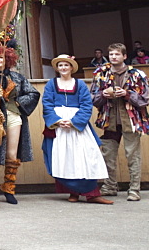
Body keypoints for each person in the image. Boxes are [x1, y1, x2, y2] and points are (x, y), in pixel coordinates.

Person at [0, 42, 40, 205]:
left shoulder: (18, 78)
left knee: (12, 155)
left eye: (1, 57)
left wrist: (18, 103)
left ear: (7, 59)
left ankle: (9, 187)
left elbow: (33, 93)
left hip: (13, 117)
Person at [41, 55, 110, 204]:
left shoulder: (80, 85)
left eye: (66, 65)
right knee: (63, 158)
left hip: (77, 126)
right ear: (57, 68)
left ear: (71, 67)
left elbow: (86, 105)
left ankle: (92, 193)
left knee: (85, 157)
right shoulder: (51, 85)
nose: (63, 68)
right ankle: (72, 193)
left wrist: (74, 122)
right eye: (60, 65)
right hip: (58, 127)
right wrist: (58, 121)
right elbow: (46, 104)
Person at [91, 42, 149, 202]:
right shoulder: (100, 74)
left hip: (131, 121)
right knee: (108, 155)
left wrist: (127, 94)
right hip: (109, 121)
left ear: (124, 56)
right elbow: (93, 99)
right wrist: (103, 95)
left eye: (117, 54)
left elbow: (145, 100)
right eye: (111, 54)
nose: (113, 57)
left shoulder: (137, 74)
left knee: (133, 156)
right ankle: (109, 187)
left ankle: (134, 189)